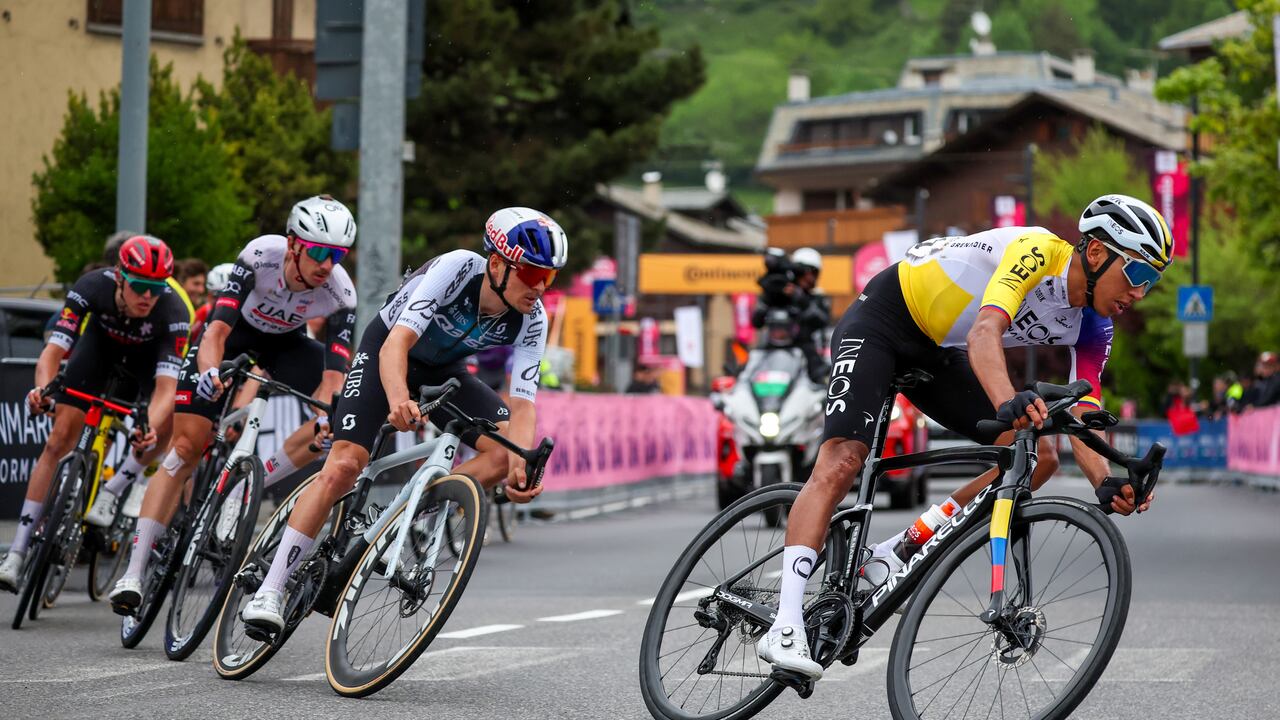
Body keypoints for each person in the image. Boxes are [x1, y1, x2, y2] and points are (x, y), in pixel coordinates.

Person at [756, 194, 1172, 680]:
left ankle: (900, 549)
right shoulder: (1038, 252)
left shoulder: (1096, 326)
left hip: (935, 350)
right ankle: (784, 624)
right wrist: (1006, 402)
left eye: (1153, 282)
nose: (1140, 292)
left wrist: (1107, 480)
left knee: (1039, 459)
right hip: (885, 319)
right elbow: (984, 333)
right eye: (1139, 275)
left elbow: (1083, 410)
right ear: (1097, 253)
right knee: (843, 459)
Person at [238, 206, 566, 636]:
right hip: (385, 354)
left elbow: (523, 406)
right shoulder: (455, 269)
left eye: (550, 278)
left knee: (505, 454)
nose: (539, 288)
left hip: (442, 373)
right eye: (531, 274)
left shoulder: (532, 320)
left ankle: (411, 510)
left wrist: (521, 467)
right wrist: (396, 399)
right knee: (343, 465)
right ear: (498, 264)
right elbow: (397, 344)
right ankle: (271, 589)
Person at [107, 195, 359, 614]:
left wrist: (326, 414)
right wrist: (209, 372)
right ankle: (132, 573)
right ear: (293, 244)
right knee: (186, 448)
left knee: (334, 414)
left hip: (288, 345)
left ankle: (256, 477)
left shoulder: (340, 292)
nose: (327, 264)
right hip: (235, 335)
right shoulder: (259, 256)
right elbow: (216, 332)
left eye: (338, 255)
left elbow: (332, 376)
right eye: (318, 251)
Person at [0, 237, 188, 591]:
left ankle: (114, 489)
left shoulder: (173, 310)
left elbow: (165, 389)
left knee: (167, 421)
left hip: (145, 369)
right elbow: (53, 353)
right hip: (98, 354)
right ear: (119, 277)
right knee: (58, 442)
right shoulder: (91, 287)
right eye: (140, 287)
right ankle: (18, 551)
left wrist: (149, 423)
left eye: (156, 288)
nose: (148, 296)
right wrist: (40, 390)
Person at [751, 247, 830, 383]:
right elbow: (756, 322)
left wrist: (800, 299)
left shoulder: (816, 298)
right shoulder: (779, 295)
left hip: (805, 361)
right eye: (804, 272)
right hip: (772, 356)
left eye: (813, 272)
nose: (809, 277)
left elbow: (821, 320)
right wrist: (769, 299)